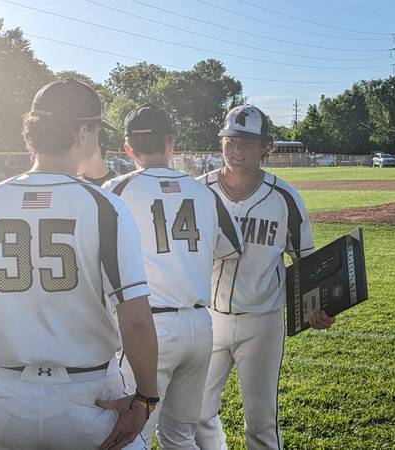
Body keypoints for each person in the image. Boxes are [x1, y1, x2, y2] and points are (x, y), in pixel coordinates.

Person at [0, 79, 159, 449]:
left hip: (6, 395)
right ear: (82, 132)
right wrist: (145, 398)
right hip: (88, 394)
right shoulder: (104, 206)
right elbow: (136, 320)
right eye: (95, 132)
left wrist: (0, 380)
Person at [195, 105, 335, 450]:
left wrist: (317, 308)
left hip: (262, 321)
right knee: (196, 412)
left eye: (246, 142)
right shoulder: (197, 191)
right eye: (230, 141)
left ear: (265, 147)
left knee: (261, 422)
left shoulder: (285, 197)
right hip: (207, 318)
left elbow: (306, 260)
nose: (236, 150)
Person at [105, 104, 243, 449]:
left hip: (149, 327)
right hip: (199, 326)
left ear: (127, 148)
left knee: (130, 436)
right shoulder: (204, 191)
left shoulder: (116, 189)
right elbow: (233, 247)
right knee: (180, 436)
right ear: (171, 143)